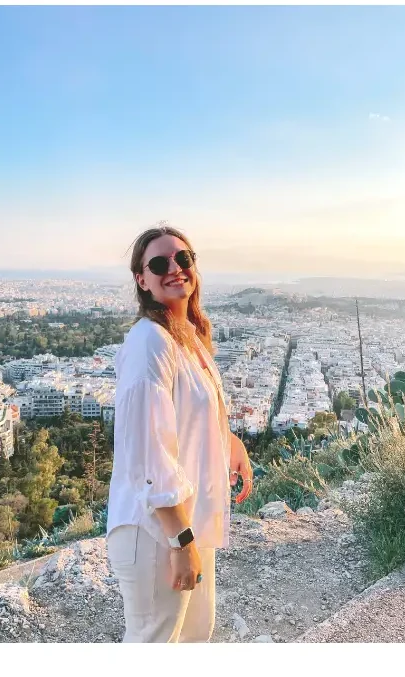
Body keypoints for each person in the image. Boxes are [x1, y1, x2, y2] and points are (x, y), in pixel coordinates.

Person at [106, 225, 254, 643]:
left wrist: (231, 444)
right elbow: (149, 453)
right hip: (156, 530)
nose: (175, 269)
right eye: (159, 263)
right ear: (142, 279)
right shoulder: (149, 341)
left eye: (183, 259)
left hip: (186, 521)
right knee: (155, 644)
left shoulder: (186, 336)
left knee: (192, 639)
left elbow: (194, 412)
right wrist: (181, 540)